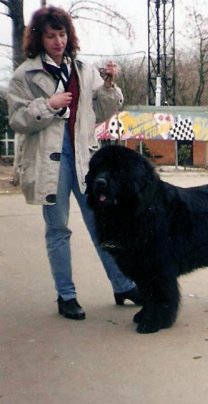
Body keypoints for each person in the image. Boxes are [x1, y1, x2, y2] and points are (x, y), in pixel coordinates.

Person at [7, 6, 141, 320]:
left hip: (85, 160)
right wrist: (48, 105)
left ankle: (122, 285)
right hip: (48, 162)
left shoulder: (83, 70)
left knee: (103, 223)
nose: (58, 41)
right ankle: (66, 296)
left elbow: (105, 111)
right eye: (51, 35)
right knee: (58, 230)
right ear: (39, 38)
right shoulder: (24, 75)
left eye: (62, 34)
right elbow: (16, 120)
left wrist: (109, 86)